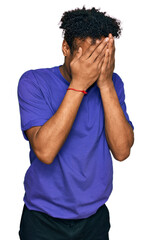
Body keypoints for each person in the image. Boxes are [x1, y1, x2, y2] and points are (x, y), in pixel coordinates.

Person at [17, 6, 134, 240]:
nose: (93, 65)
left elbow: (122, 151)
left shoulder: (112, 84)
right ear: (66, 48)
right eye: (87, 56)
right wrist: (79, 83)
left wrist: (106, 84)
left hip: (94, 219)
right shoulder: (33, 82)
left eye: (100, 57)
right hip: (42, 220)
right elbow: (45, 151)